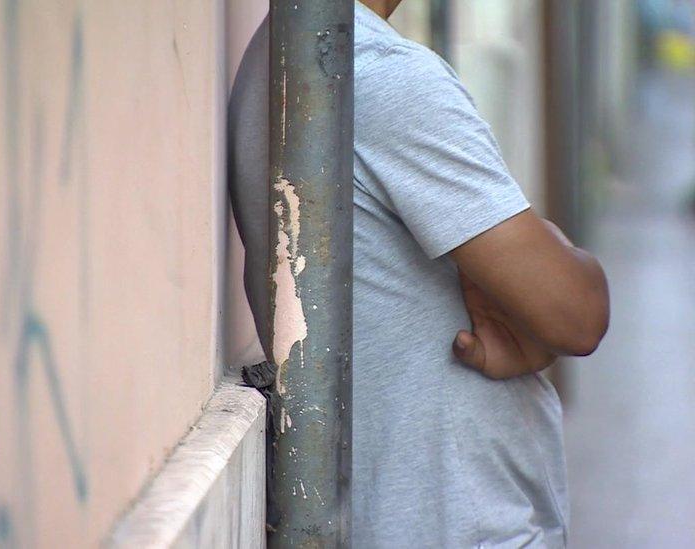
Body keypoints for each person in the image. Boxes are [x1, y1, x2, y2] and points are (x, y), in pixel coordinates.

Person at [228, 0, 610, 546]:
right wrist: (543, 268)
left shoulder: (280, 56)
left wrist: (527, 318)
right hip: (456, 519)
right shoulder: (381, 72)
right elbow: (578, 313)